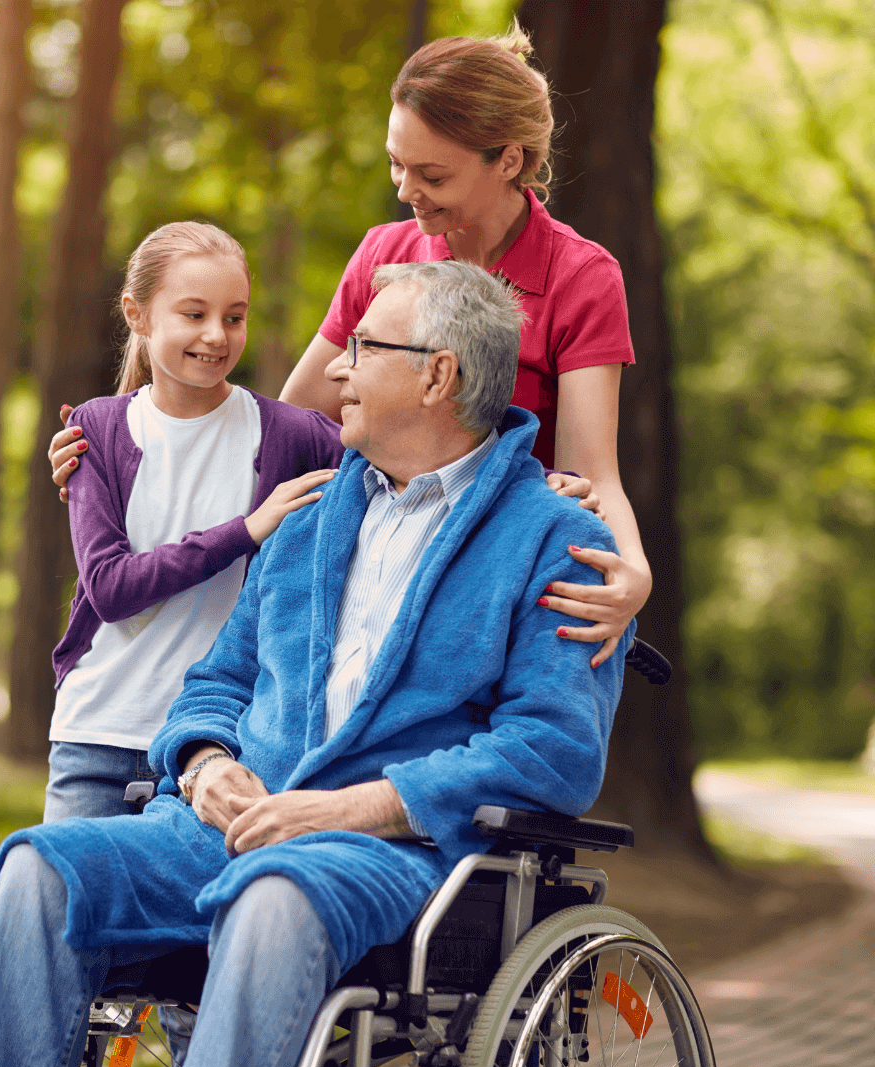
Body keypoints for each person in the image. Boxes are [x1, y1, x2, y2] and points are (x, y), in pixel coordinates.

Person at [0, 260, 634, 1067]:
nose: (335, 368)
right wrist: (204, 764)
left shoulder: (554, 536)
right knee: (39, 870)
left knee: (274, 894)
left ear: (437, 375)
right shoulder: (310, 517)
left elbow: (552, 749)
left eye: (363, 346)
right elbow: (216, 682)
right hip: (224, 829)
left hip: (392, 851)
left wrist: (353, 808)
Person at [50, 24, 650, 669]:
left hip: (496, 573)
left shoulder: (582, 276)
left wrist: (633, 575)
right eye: (396, 162)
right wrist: (123, 444)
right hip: (375, 567)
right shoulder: (383, 254)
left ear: (507, 158)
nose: (404, 188)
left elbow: (591, 476)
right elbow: (287, 425)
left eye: (432, 173)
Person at [41, 220, 340, 826]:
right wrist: (247, 530)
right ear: (138, 315)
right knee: (66, 909)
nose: (216, 335)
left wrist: (538, 477)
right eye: (193, 314)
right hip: (99, 734)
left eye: (234, 317)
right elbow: (111, 588)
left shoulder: (289, 433)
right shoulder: (97, 429)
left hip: (217, 747)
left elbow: (409, 470)